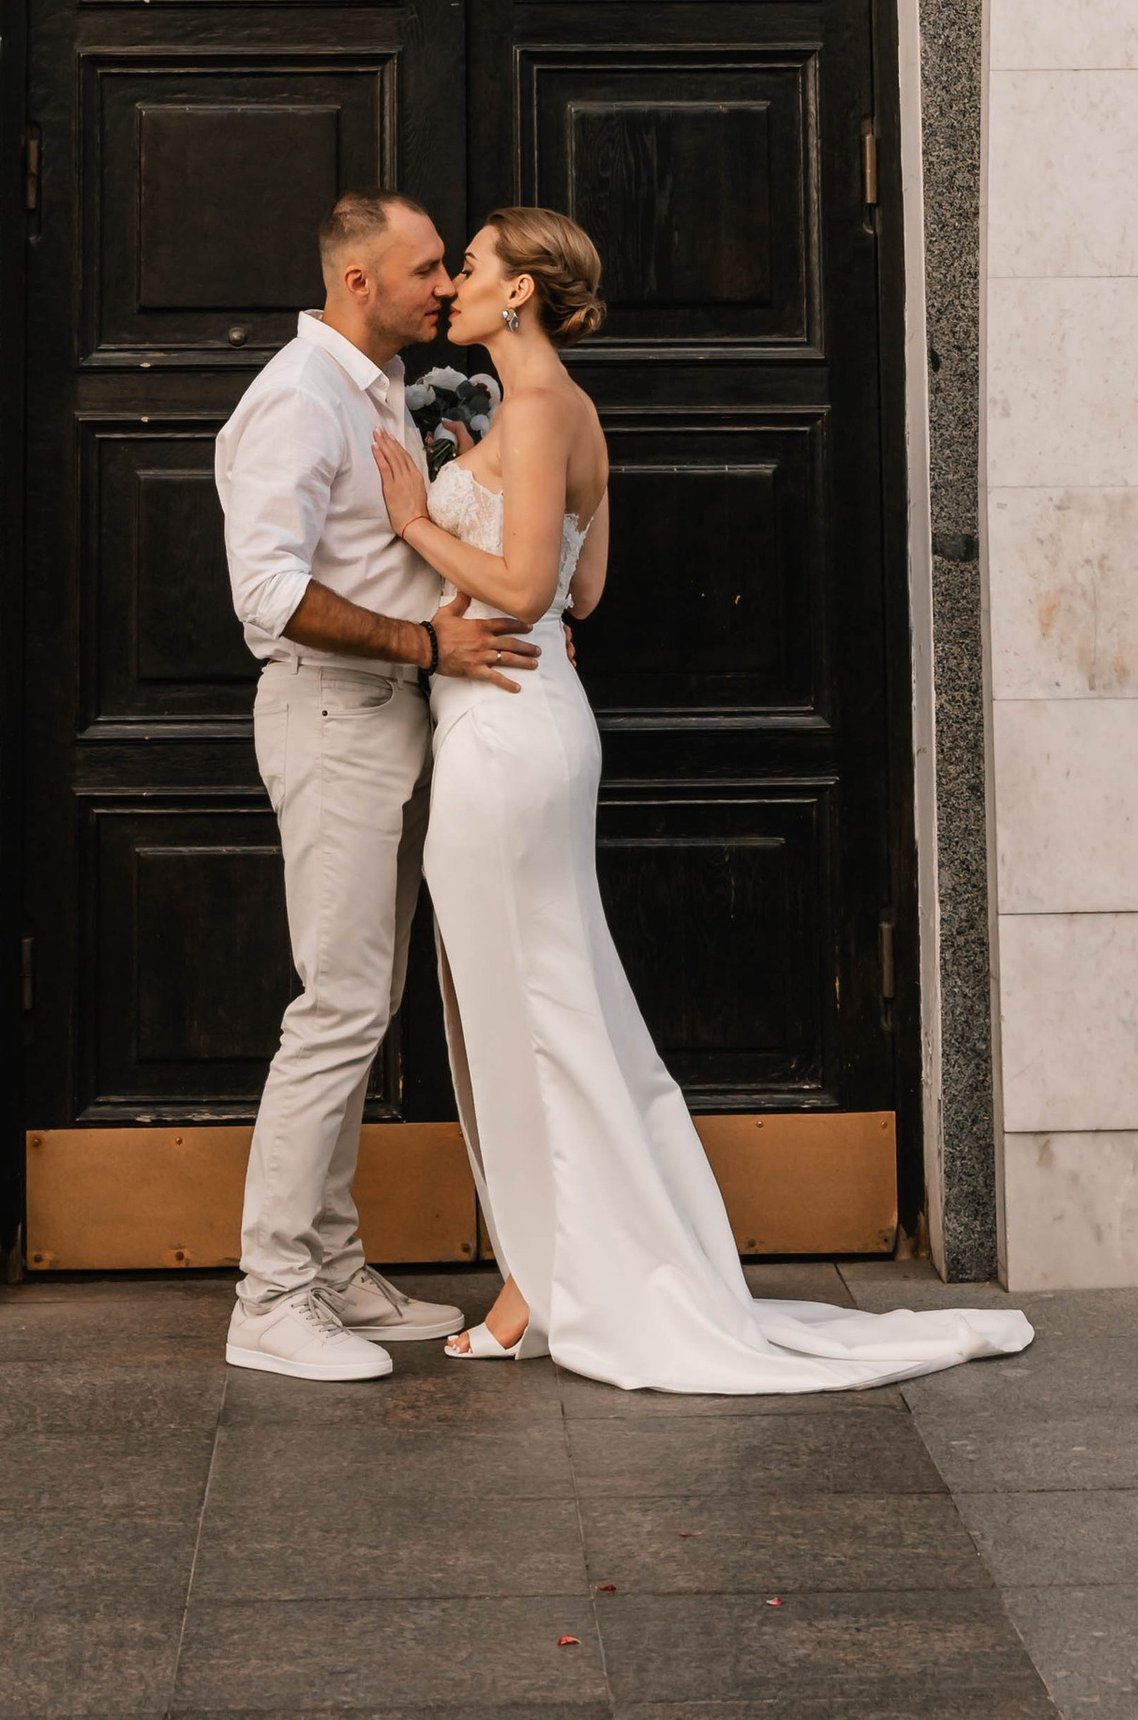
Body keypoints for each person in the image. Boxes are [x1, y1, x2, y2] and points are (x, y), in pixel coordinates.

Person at [371, 204, 1034, 1395]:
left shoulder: (535, 408)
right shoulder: (563, 409)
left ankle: (539, 1286)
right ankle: (546, 1273)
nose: (453, 284)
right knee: (546, 1006)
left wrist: (419, 517)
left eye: (469, 267)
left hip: (504, 732)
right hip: (535, 717)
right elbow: (587, 591)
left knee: (530, 1014)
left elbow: (526, 589)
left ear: (517, 291)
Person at [213, 188, 543, 1381]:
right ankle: (271, 1297)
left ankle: (334, 1267)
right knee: (338, 1008)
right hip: (332, 717)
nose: (444, 287)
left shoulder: (377, 388)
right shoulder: (299, 400)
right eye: (424, 270)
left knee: (365, 1001)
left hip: (391, 717)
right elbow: (266, 591)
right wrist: (422, 644)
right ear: (358, 281)